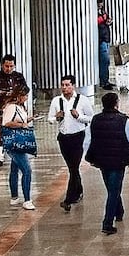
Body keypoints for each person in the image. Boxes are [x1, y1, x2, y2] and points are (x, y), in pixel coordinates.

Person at [83, 92, 129, 235]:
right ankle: (107, 223)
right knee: (114, 190)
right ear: (116, 104)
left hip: (102, 161)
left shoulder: (95, 120)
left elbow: (88, 140)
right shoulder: (124, 121)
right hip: (118, 161)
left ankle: (119, 211)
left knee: (112, 188)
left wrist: (88, 157)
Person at [47, 74, 93, 211]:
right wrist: (56, 118)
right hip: (63, 138)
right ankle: (78, 190)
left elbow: (91, 117)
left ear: (73, 86)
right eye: (63, 85)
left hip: (78, 137)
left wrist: (79, 116)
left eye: (67, 85)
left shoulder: (82, 100)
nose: (64, 88)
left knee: (74, 167)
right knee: (72, 168)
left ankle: (68, 199)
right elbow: (49, 119)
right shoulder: (56, 101)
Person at [0, 54, 28, 166]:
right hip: (0, 109)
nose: (8, 69)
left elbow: (26, 90)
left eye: (11, 66)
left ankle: (17, 154)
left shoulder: (18, 76)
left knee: (17, 131)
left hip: (16, 109)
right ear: (2, 65)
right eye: (6, 66)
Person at [1, 86, 35, 210]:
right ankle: (27, 200)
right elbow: (6, 122)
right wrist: (22, 125)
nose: (26, 98)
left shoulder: (21, 107)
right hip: (14, 143)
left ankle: (14, 197)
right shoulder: (11, 107)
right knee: (27, 170)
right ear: (19, 96)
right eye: (25, 95)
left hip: (19, 142)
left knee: (14, 169)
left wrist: (28, 119)